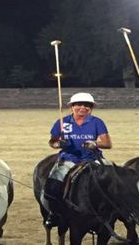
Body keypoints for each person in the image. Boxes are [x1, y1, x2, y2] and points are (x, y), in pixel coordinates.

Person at [41, 92, 112, 226]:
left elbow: (107, 143)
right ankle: (53, 214)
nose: (82, 108)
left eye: (87, 105)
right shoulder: (62, 122)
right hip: (69, 159)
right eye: (79, 105)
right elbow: (52, 141)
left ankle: (114, 212)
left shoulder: (97, 122)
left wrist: (95, 143)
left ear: (91, 108)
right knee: (52, 185)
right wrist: (58, 144)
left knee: (113, 180)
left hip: (92, 158)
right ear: (72, 107)